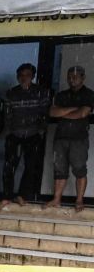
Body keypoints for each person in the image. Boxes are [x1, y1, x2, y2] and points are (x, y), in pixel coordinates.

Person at [0, 63, 51, 210]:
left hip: (33, 134)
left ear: (32, 76)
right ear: (17, 77)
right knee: (9, 166)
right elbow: (7, 115)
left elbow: (45, 114)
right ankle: (7, 196)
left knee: (30, 166)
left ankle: (22, 195)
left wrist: (40, 130)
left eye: (27, 75)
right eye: (21, 75)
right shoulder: (12, 93)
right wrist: (8, 131)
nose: (24, 78)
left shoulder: (41, 92)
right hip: (14, 133)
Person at [46, 65, 94, 212]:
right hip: (61, 138)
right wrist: (74, 109)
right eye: (69, 77)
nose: (71, 79)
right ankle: (56, 199)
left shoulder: (89, 94)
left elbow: (82, 114)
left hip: (78, 138)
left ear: (82, 77)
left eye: (75, 76)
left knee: (79, 169)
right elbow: (53, 113)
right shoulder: (61, 95)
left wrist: (64, 113)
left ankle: (79, 200)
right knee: (59, 169)